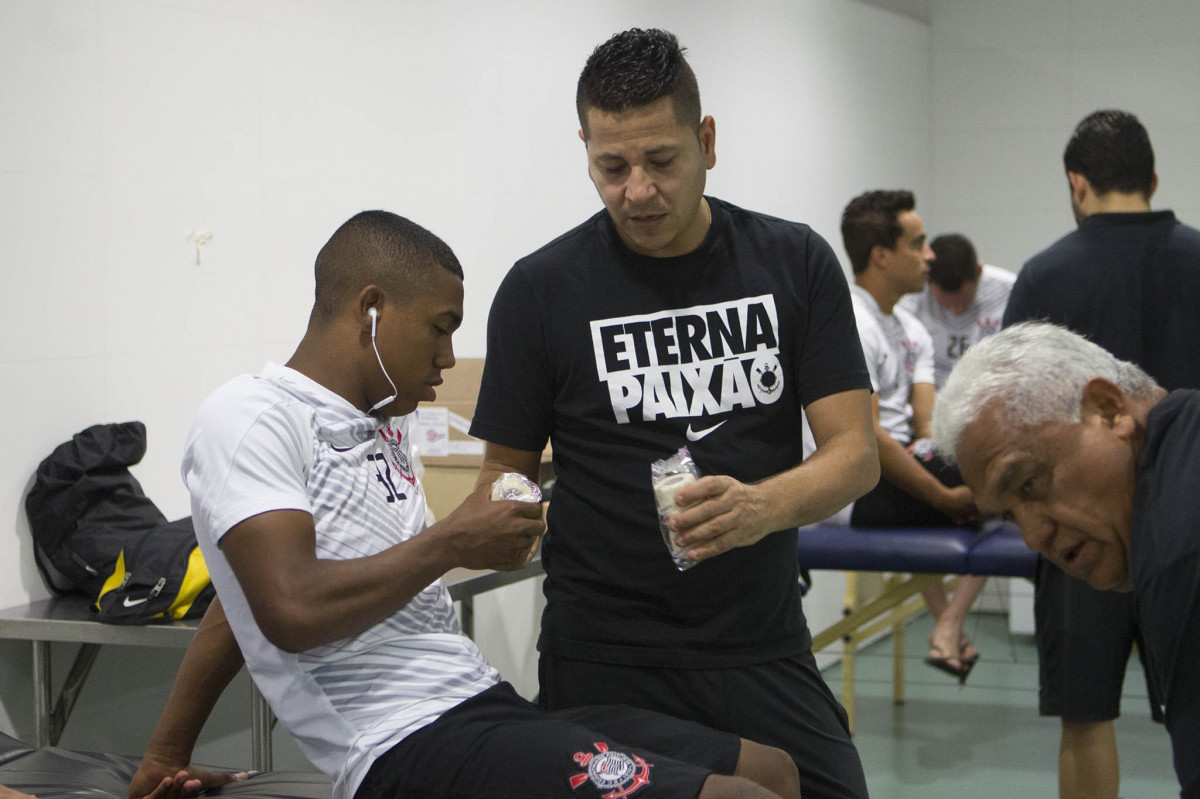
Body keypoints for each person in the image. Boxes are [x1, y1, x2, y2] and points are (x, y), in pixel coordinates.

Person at [127, 210, 802, 799]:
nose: (449, 356)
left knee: (771, 769)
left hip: (476, 702)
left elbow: (233, 600)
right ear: (371, 310)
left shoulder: (381, 424)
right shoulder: (250, 417)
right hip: (399, 746)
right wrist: (451, 540)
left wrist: (164, 754)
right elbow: (288, 610)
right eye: (439, 328)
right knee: (742, 795)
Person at [468, 28, 878, 799]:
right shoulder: (540, 290)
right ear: (585, 148)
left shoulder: (793, 262)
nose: (638, 190)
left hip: (758, 640)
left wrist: (761, 507)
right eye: (611, 166)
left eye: (662, 160)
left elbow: (855, 453)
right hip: (603, 653)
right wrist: (486, 521)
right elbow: (505, 477)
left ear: (708, 141)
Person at [1003, 108, 1200, 799]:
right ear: (1151, 178)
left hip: (1079, 525)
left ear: (1076, 184)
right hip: (1192, 525)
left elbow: (1012, 423)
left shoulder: (1044, 276)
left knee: (1085, 718)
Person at [931, 321, 1200, 798]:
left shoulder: (1179, 551)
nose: (1035, 538)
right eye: (1011, 517)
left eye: (1030, 483)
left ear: (1108, 408)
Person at [838, 190, 985, 682]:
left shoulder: (910, 328)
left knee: (999, 465)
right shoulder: (851, 324)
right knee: (1001, 480)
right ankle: (949, 626)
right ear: (880, 256)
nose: (931, 255)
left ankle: (947, 623)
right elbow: (868, 440)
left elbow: (927, 429)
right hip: (857, 487)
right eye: (919, 244)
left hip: (898, 468)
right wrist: (945, 496)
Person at [897, 233, 1014, 388]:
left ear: (979, 271)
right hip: (929, 393)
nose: (956, 311)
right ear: (927, 281)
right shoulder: (910, 298)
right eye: (946, 305)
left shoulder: (1011, 291)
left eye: (963, 303)